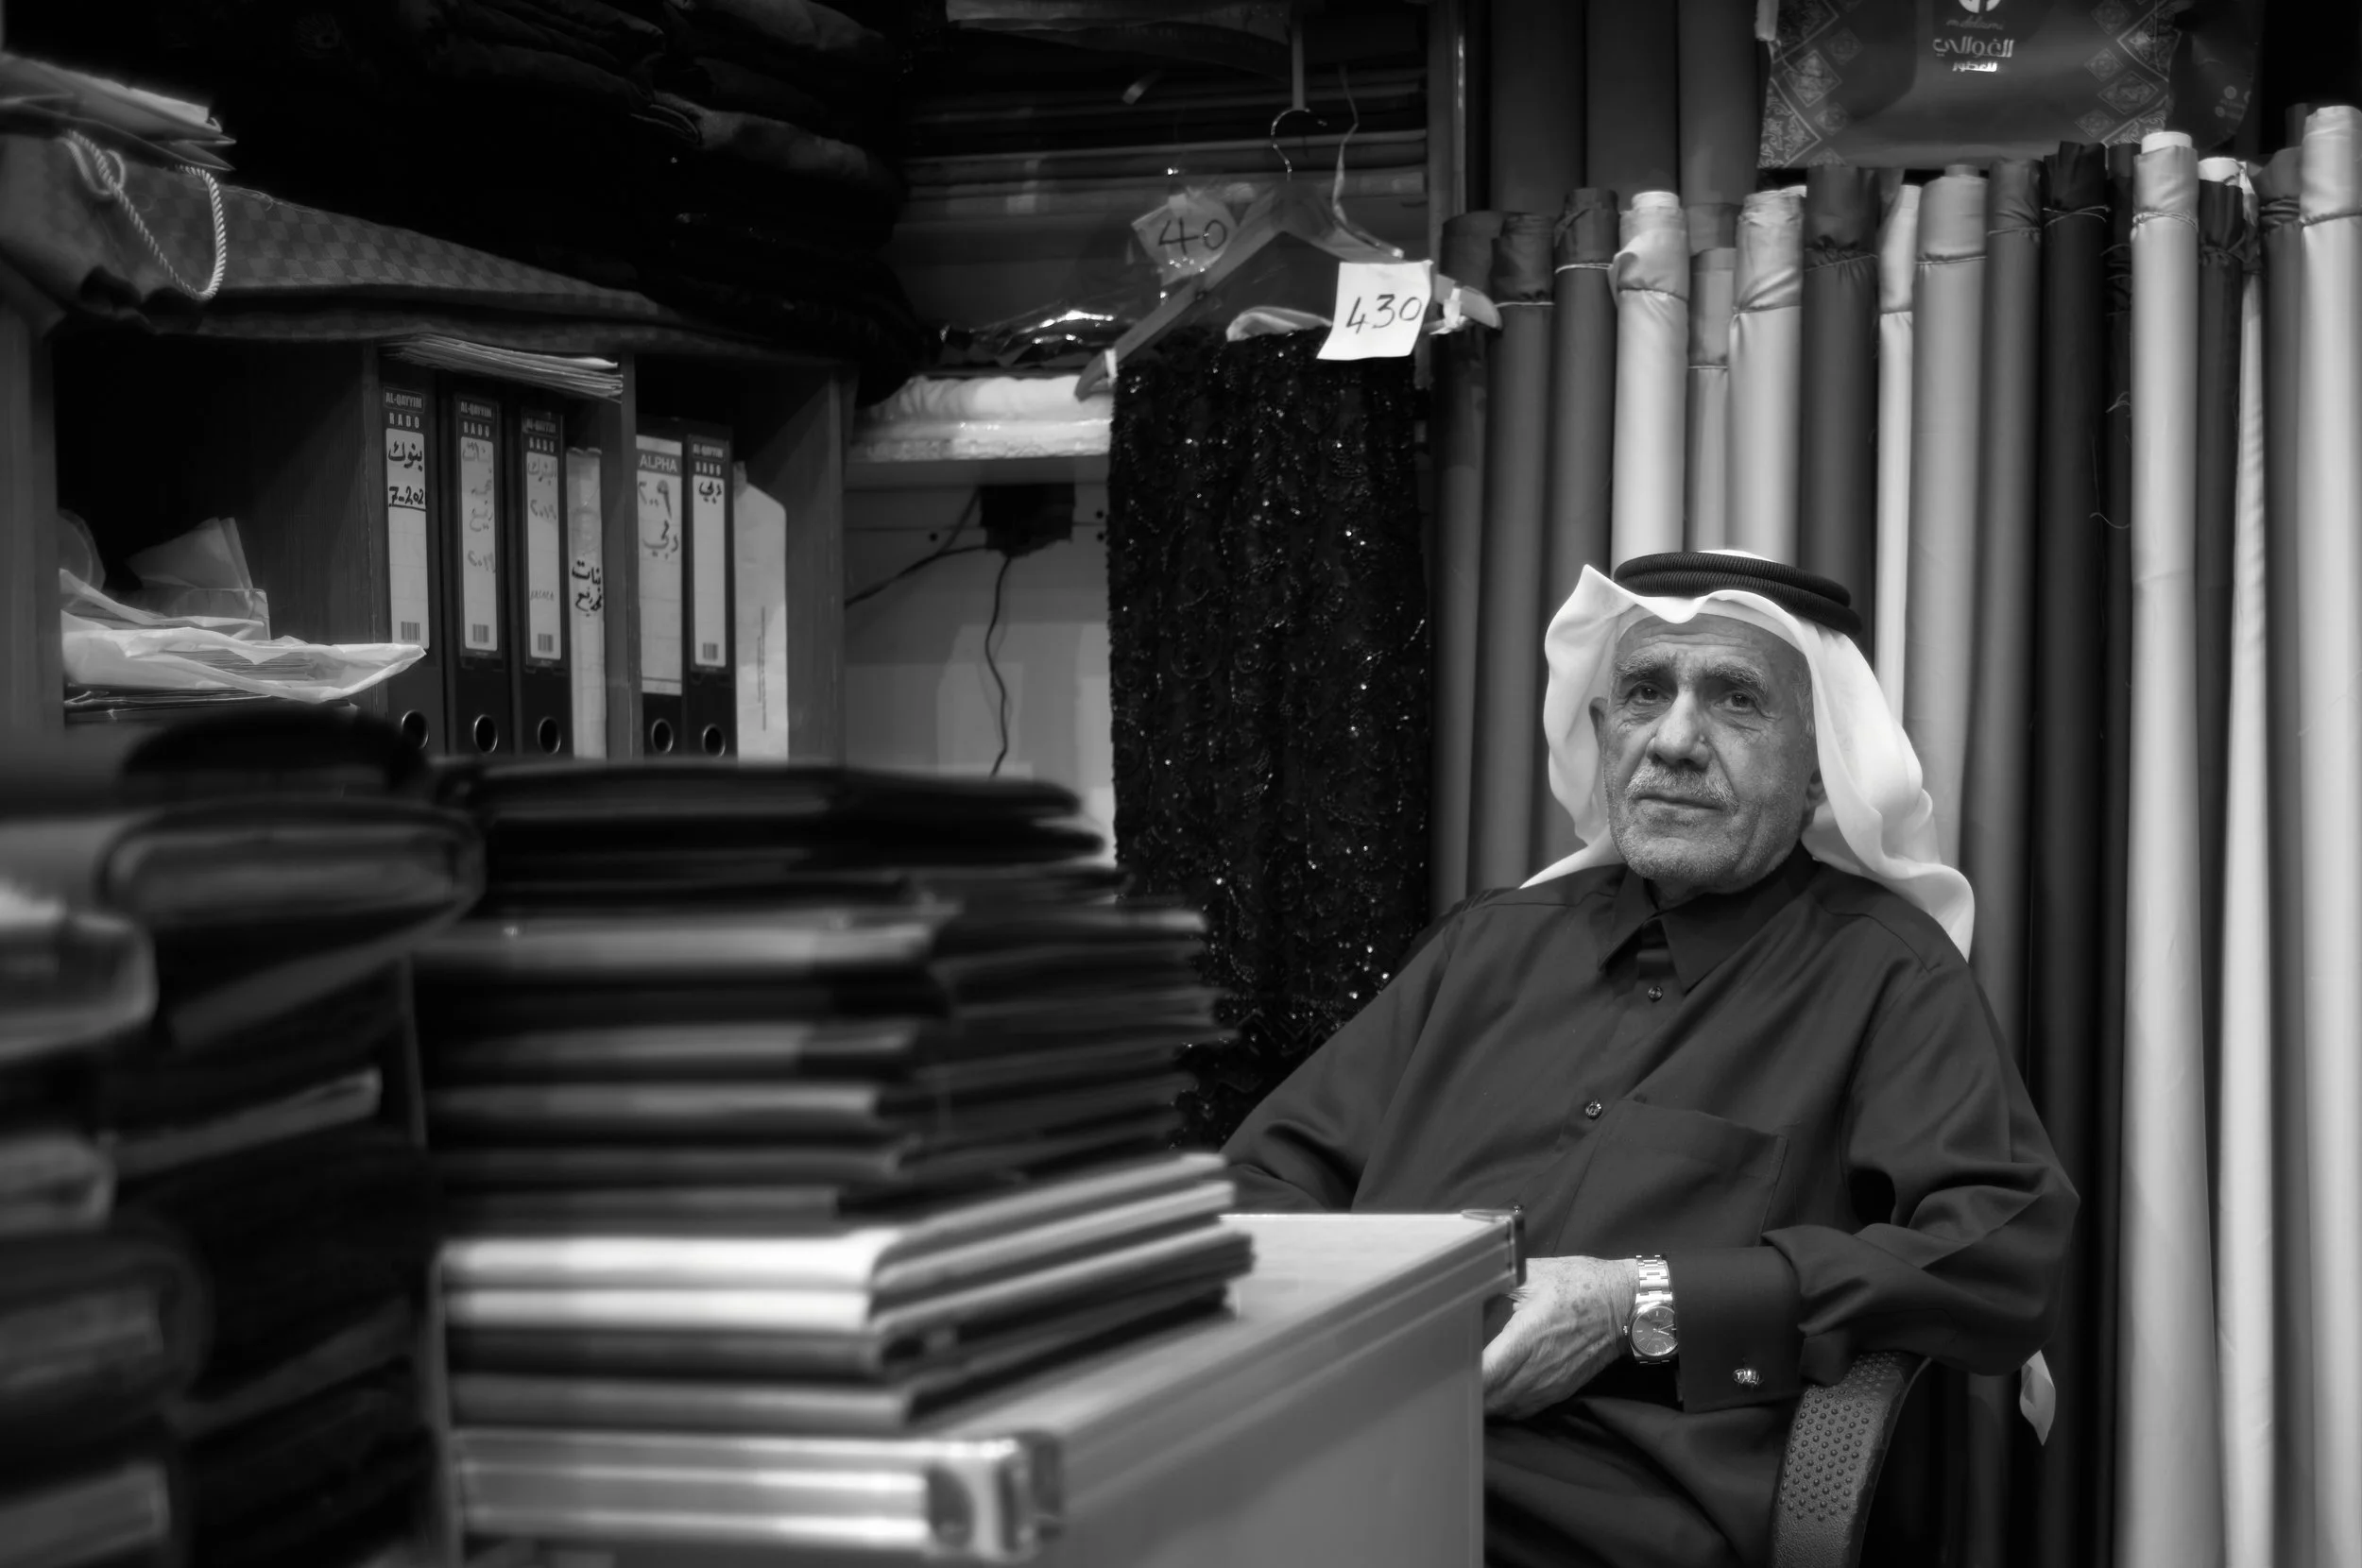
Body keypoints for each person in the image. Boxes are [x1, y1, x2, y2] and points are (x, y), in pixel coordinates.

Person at [1223, 552, 2076, 1568]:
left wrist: (1640, 1303)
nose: (1673, 741)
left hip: (1601, 1514)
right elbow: (1261, 1178)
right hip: (1338, 1442)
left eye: (1734, 701)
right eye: (1641, 695)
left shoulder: (1883, 974)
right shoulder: (1491, 944)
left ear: (1820, 768)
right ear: (1600, 734)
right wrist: (1378, 1313)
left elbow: (1998, 1247)